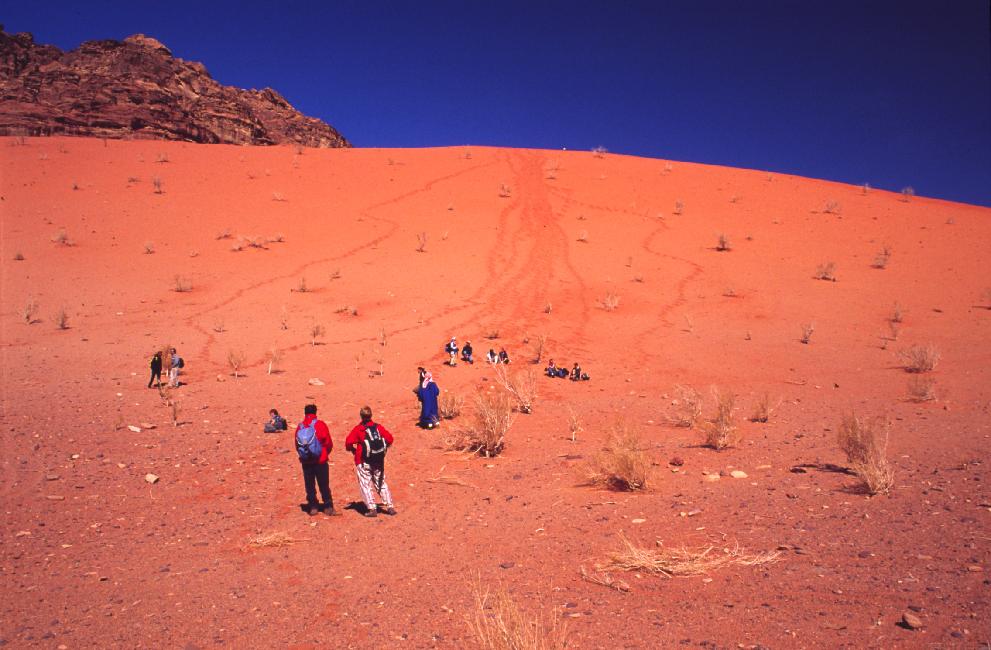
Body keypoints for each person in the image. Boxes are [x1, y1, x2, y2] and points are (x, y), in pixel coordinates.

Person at [344, 406, 397, 517]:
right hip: (378, 461)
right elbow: (390, 439)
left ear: (361, 416)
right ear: (371, 415)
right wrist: (382, 450)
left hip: (363, 461)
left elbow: (348, 442)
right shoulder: (378, 428)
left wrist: (353, 450)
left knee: (365, 484)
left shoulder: (359, 429)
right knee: (381, 482)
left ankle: (372, 509)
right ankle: (390, 506)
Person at [294, 404, 340, 516]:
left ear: (305, 413)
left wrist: (304, 455)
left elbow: (297, 445)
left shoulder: (300, 427)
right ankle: (328, 506)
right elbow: (328, 443)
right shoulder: (320, 425)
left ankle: (313, 506)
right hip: (321, 460)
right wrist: (325, 453)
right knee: (324, 484)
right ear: (315, 412)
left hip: (306, 461)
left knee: (309, 484)